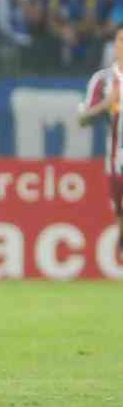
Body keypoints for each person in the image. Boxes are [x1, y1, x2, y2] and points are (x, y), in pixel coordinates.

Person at [79, 29, 123, 246]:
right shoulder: (102, 80)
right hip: (116, 158)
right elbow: (83, 119)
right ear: (115, 46)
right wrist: (107, 104)